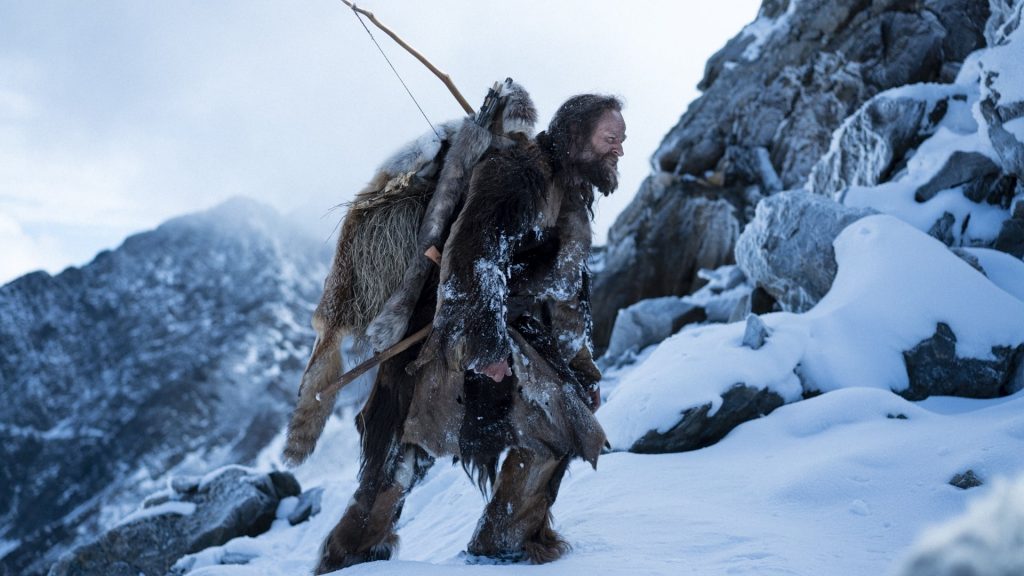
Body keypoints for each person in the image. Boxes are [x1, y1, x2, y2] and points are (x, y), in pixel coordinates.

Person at [315, 94, 626, 574]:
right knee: (400, 461)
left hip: (510, 336)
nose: (619, 150)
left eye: (621, 141)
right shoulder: (513, 175)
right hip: (444, 337)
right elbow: (472, 258)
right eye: (610, 139)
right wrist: (487, 345)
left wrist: (583, 371)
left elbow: (566, 297)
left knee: (562, 419)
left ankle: (506, 543)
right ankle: (347, 562)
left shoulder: (572, 201)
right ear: (575, 135)